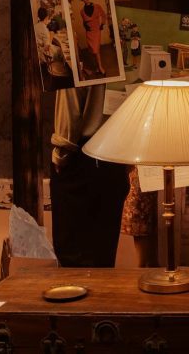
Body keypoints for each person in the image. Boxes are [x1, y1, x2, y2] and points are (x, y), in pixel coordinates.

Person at [50, 85, 129, 267]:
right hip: (115, 152)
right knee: (103, 250)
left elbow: (69, 106)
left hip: (80, 154)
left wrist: (61, 153)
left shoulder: (73, 64)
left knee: (73, 252)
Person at [78, 0, 107, 76]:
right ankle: (98, 67)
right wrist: (85, 26)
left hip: (96, 31)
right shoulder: (82, 11)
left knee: (95, 50)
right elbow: (84, 22)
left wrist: (102, 24)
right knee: (93, 51)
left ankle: (100, 67)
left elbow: (103, 15)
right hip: (89, 33)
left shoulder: (97, 6)